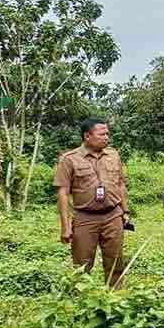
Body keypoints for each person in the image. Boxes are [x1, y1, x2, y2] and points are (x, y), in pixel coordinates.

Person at [53, 118, 130, 288]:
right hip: (85, 218)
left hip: (113, 216)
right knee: (81, 267)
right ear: (87, 136)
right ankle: (81, 306)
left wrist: (125, 211)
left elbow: (120, 183)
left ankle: (116, 302)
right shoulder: (69, 159)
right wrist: (65, 227)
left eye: (107, 134)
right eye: (102, 134)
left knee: (115, 264)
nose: (106, 137)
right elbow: (63, 193)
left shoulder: (113, 155)